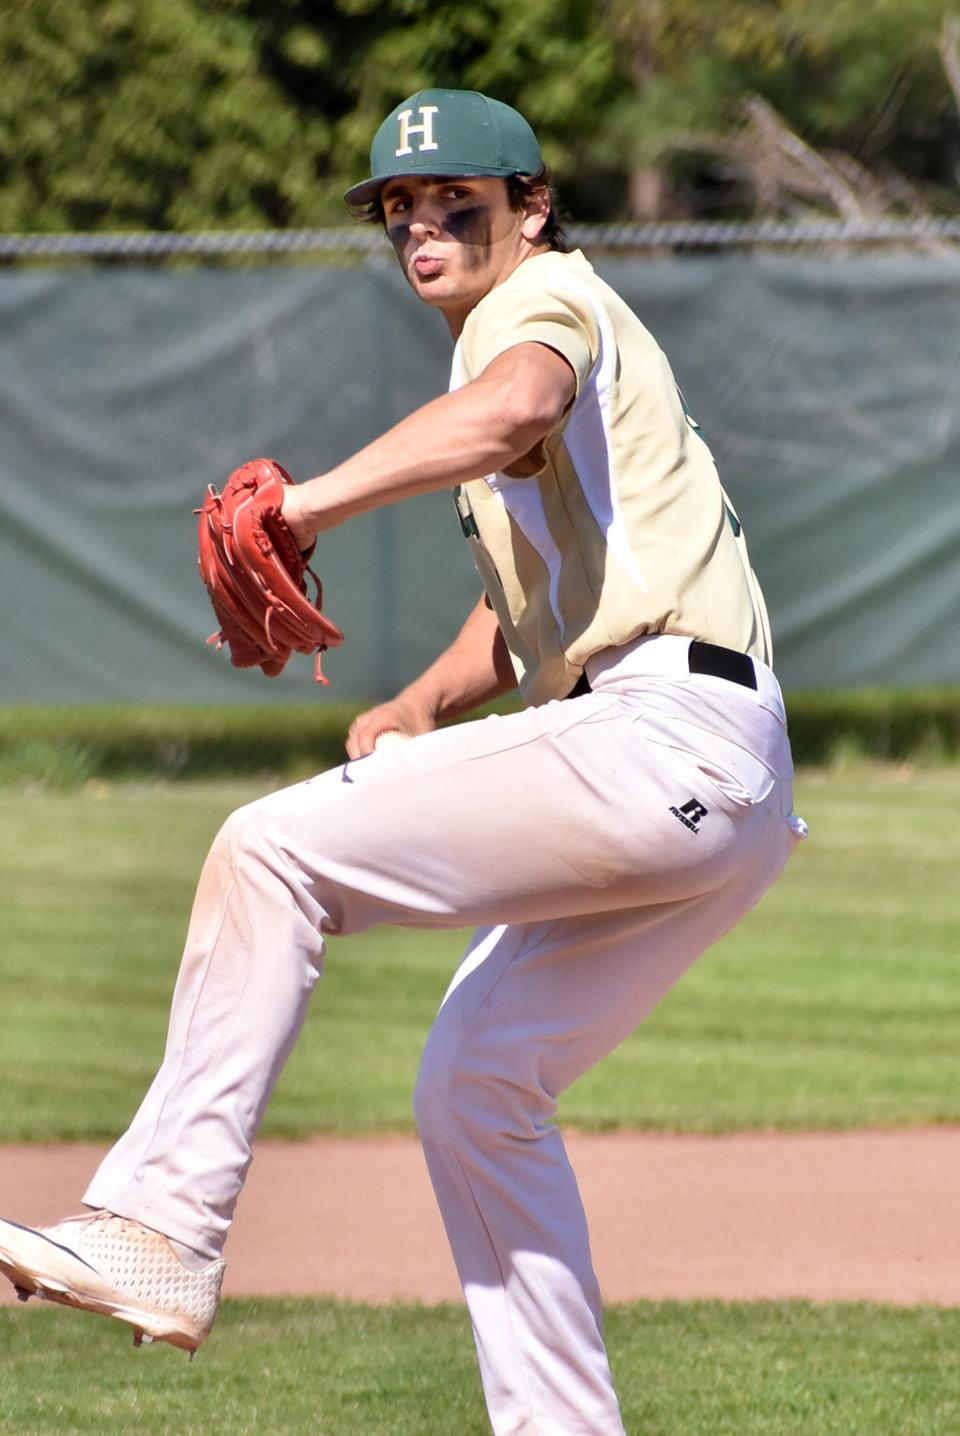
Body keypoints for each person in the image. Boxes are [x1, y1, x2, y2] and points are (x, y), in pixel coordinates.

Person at [0, 89, 806, 1434]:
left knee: (269, 847)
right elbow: (527, 602)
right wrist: (426, 698)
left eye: (457, 201)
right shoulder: (533, 346)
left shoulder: (537, 307)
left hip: (664, 730)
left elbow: (515, 407)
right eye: (400, 209)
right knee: (477, 1085)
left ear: (530, 207)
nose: (423, 222)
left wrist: (305, 503)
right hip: (716, 769)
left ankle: (159, 1223)